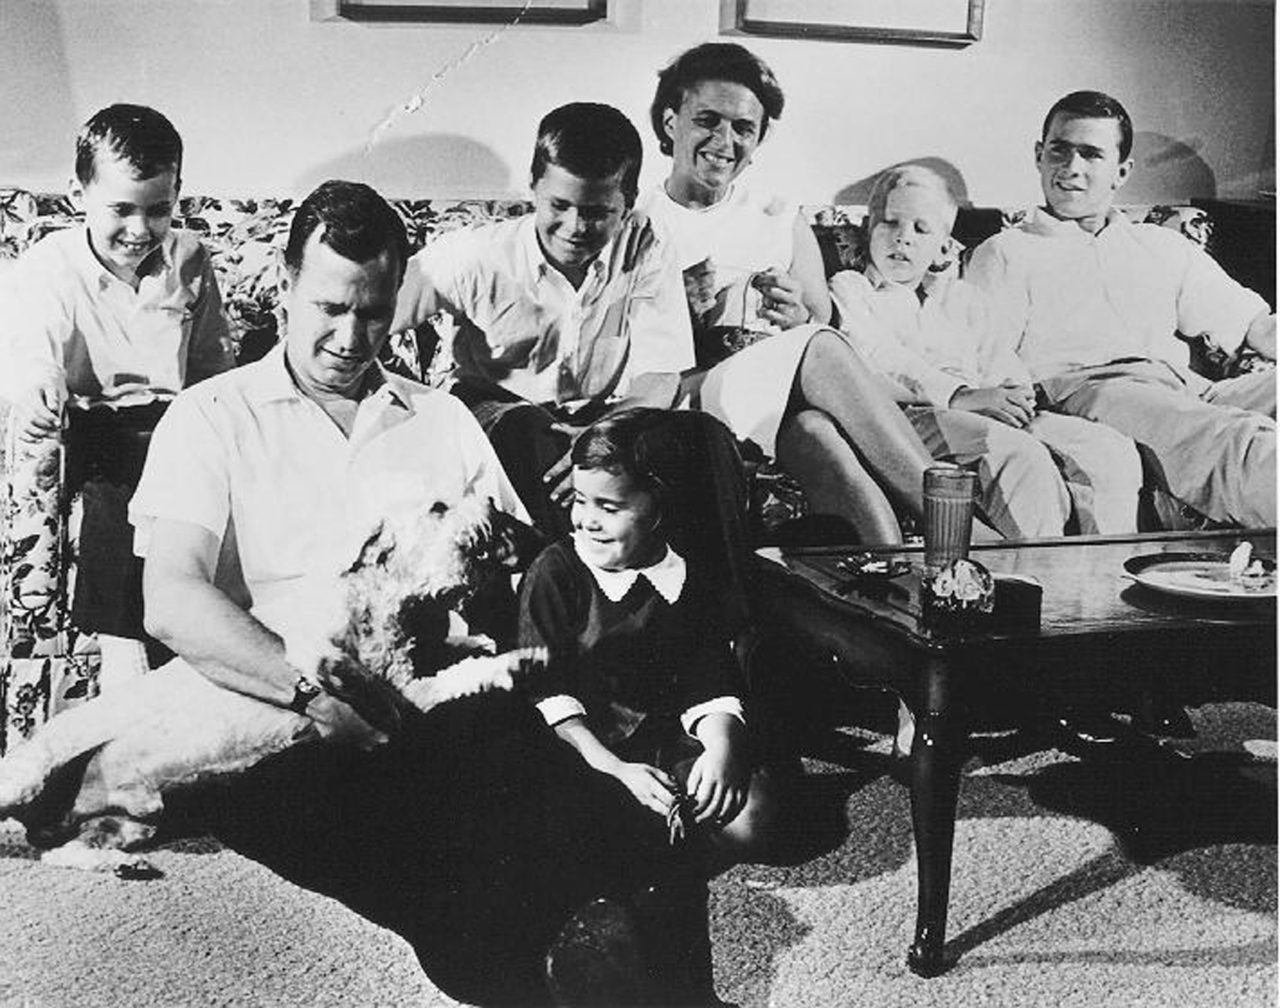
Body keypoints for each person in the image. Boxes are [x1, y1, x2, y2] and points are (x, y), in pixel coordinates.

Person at [129, 179, 690, 1006]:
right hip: (281, 709)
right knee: (448, 875)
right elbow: (170, 598)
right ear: (284, 288)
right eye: (329, 307)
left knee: (609, 822)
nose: (351, 337)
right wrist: (313, 695)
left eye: (374, 311)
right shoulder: (212, 416)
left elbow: (523, 563)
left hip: (438, 681)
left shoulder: (441, 418)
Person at [637, 42, 951, 543]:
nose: (725, 140)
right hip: (689, 391)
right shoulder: (638, 220)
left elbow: (817, 323)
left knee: (816, 436)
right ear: (671, 122)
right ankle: (965, 529)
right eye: (708, 120)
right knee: (819, 347)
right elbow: (622, 352)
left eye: (744, 128)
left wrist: (796, 314)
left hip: (771, 395)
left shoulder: (779, 215)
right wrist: (685, 314)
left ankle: (893, 585)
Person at [0, 103, 234, 687]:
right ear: (80, 192)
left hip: (176, 426)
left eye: (159, 210)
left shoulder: (190, 259)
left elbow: (211, 365)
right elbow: (33, 351)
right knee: (115, 502)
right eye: (121, 209)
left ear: (178, 195)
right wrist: (37, 393)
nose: (139, 229)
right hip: (94, 426)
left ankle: (203, 654)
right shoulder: (49, 267)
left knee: (210, 496)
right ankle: (124, 657)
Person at [966, 89, 1276, 528]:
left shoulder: (1161, 245)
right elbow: (984, 360)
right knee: (1232, 438)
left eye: (1091, 154)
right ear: (1039, 155)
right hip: (1095, 392)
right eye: (1060, 149)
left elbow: (1253, 325)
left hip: (1188, 388)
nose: (1071, 167)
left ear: (1122, 171)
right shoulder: (1005, 253)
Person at [392, 102, 695, 537]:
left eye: (596, 212)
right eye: (559, 205)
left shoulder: (647, 243)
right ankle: (560, 592)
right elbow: (376, 312)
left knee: (700, 438)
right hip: (499, 413)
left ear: (627, 206)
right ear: (533, 187)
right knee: (533, 435)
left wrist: (604, 437)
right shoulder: (475, 256)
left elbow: (661, 377)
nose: (574, 227)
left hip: (605, 414)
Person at [831, 164, 1143, 536]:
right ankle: (1035, 583)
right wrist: (962, 396)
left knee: (1110, 452)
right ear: (868, 230)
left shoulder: (962, 300)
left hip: (980, 412)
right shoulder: (852, 289)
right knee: (1018, 456)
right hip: (906, 417)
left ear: (942, 246)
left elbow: (999, 360)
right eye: (889, 222)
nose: (903, 238)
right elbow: (874, 357)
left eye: (920, 229)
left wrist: (1013, 397)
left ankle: (1100, 580)